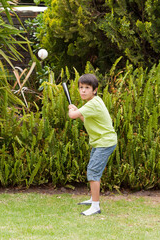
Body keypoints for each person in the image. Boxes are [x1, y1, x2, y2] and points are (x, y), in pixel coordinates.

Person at [68, 74, 117, 216]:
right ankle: (93, 199)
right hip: (101, 141)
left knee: (93, 171)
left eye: (87, 88)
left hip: (104, 142)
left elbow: (72, 116)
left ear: (94, 90)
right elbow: (84, 119)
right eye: (81, 87)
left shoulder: (93, 103)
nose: (83, 91)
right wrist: (76, 110)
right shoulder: (94, 102)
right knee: (94, 170)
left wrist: (72, 110)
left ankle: (95, 206)